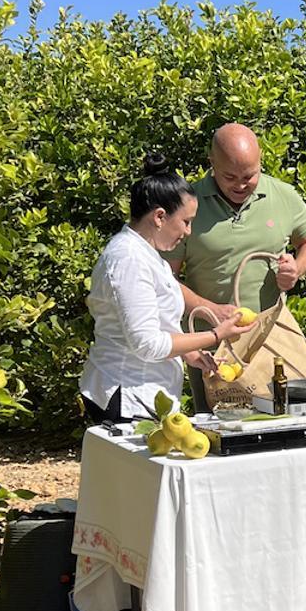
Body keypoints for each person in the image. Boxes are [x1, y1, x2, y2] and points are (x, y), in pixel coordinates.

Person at [79, 154, 255, 422]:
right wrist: (216, 335)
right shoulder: (129, 259)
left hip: (146, 395)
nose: (188, 232)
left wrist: (193, 354)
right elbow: (148, 344)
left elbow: (160, 320)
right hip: (128, 396)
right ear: (160, 216)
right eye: (186, 222)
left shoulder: (146, 253)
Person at [163, 123, 306, 411]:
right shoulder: (187, 204)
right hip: (213, 350)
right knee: (223, 441)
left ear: (261, 160)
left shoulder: (283, 195)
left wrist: (296, 268)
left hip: (274, 344)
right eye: (229, 177)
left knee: (284, 431)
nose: (240, 185)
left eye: (249, 176)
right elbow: (164, 280)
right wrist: (209, 308)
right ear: (211, 163)